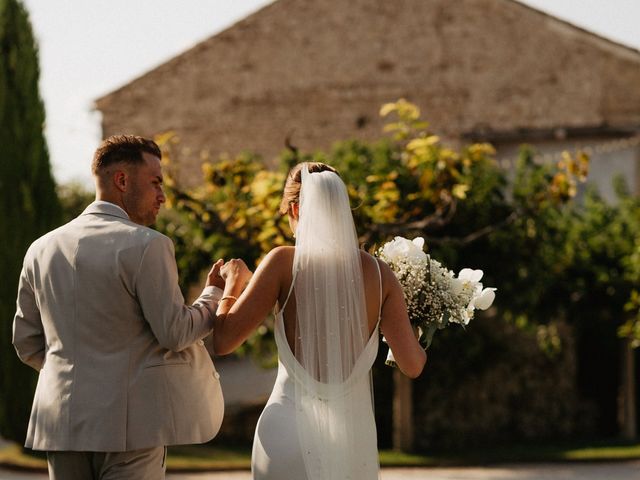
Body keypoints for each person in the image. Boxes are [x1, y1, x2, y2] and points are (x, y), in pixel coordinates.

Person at [12, 135, 235, 480]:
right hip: (130, 427)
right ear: (121, 180)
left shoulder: (40, 249)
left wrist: (79, 372)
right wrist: (214, 294)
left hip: (58, 424)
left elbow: (26, 343)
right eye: (156, 182)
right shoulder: (148, 246)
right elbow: (175, 332)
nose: (162, 196)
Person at [213, 162, 426, 480]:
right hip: (351, 442)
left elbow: (223, 340)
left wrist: (230, 285)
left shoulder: (282, 263)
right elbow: (413, 365)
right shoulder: (381, 275)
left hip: (286, 435)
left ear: (296, 208)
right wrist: (422, 326)